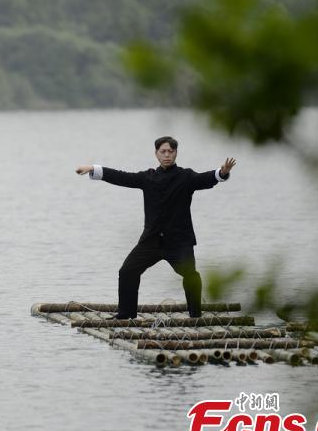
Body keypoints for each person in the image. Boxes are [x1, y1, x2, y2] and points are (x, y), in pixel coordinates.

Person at [75, 136, 237, 319]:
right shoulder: (147, 177)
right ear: (156, 154)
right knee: (127, 271)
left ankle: (195, 316)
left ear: (176, 153)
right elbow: (122, 177)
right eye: (163, 152)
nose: (167, 155)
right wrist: (93, 169)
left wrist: (222, 173)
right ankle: (126, 313)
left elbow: (205, 179)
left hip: (179, 242)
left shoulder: (186, 177)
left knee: (190, 275)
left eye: (170, 151)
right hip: (151, 240)